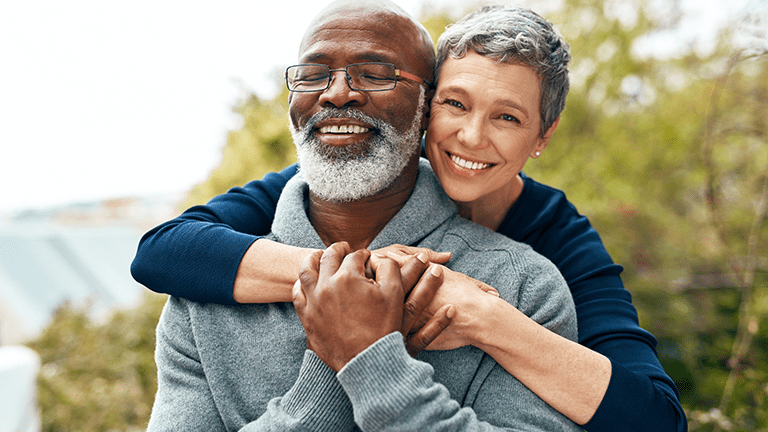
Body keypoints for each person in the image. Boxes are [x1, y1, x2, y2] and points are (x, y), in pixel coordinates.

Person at [133, 4, 687, 432]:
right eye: (457, 105)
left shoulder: (543, 269)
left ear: (542, 136)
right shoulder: (206, 289)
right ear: (430, 110)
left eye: (508, 117)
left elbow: (654, 418)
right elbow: (162, 249)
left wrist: (484, 324)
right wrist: (352, 289)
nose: (471, 136)